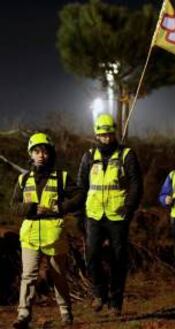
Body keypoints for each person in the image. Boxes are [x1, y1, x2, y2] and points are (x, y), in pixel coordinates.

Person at [12, 133, 83, 328]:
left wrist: (60, 207)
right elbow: (14, 206)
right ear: (31, 154)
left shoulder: (62, 177)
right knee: (28, 276)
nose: (41, 155)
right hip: (30, 235)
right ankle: (23, 315)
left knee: (58, 275)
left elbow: (79, 196)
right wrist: (31, 208)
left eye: (44, 151)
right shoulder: (23, 179)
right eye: (37, 151)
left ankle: (66, 313)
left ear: (50, 153)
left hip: (55, 235)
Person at [77, 113, 142, 316]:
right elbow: (82, 186)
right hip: (94, 215)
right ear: (97, 135)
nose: (106, 138)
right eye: (102, 135)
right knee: (92, 256)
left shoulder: (126, 155)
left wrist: (129, 208)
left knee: (118, 260)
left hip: (117, 216)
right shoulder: (88, 156)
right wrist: (81, 214)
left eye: (109, 134)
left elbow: (136, 185)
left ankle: (116, 302)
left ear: (114, 133)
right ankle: (99, 293)